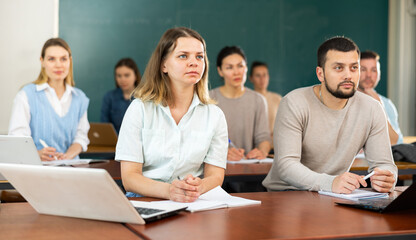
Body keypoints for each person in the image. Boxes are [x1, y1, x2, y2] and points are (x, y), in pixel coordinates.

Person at [263, 36, 397, 194]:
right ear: (321, 74)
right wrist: (330, 182)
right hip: (286, 194)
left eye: (354, 68)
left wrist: (388, 178)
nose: (348, 75)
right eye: (339, 68)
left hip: (333, 194)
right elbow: (286, 166)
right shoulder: (294, 103)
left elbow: (385, 164)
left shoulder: (373, 108)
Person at [115, 27, 228, 203]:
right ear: (163, 65)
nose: (193, 62)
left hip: (192, 202)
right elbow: (129, 178)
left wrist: (199, 187)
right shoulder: (139, 109)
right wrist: (170, 191)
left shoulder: (215, 116)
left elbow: (215, 176)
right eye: (183, 56)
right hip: (146, 200)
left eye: (199, 56)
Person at [9, 38, 89, 161]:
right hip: (38, 169)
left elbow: (81, 138)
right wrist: (37, 154)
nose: (58, 65)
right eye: (51, 59)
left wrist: (68, 156)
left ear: (70, 61)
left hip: (71, 168)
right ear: (42, 61)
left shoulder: (80, 98)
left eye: (63, 59)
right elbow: (18, 139)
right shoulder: (26, 95)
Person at [210, 46, 271, 161]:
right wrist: (223, 152)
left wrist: (261, 151)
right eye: (229, 68)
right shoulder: (209, 99)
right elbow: (201, 140)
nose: (236, 72)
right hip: (215, 167)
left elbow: (263, 137)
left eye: (240, 66)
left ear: (246, 68)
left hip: (248, 168)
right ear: (220, 71)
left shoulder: (258, 100)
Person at [359, 50, 403, 145]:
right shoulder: (343, 102)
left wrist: (380, 107)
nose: (368, 75)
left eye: (374, 70)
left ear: (379, 75)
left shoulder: (387, 104)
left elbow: (396, 143)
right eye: (363, 69)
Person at [100, 58, 141, 133]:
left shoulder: (144, 98)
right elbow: (104, 127)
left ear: (135, 76)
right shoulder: (109, 97)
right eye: (119, 76)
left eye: (127, 75)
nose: (122, 79)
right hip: (114, 143)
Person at [249, 61, 282, 137]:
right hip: (255, 146)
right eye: (258, 75)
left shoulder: (278, 99)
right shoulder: (247, 99)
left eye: (264, 75)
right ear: (251, 78)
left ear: (268, 76)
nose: (262, 79)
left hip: (275, 146)